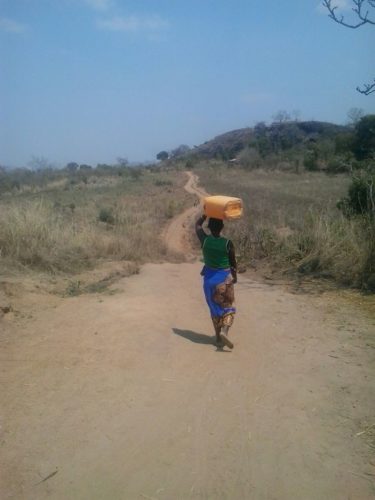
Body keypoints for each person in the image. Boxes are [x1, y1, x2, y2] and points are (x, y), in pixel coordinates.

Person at [195, 214, 237, 349]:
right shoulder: (227, 243)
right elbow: (233, 264)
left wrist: (205, 214)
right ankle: (224, 331)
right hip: (223, 281)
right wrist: (234, 276)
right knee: (228, 308)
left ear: (209, 227)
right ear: (222, 227)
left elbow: (197, 226)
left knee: (214, 310)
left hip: (208, 282)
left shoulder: (205, 240)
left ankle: (218, 338)